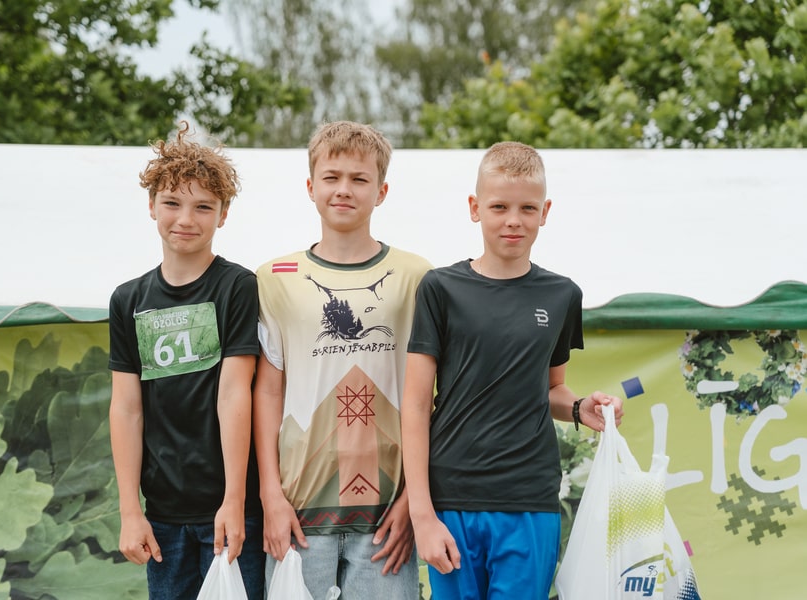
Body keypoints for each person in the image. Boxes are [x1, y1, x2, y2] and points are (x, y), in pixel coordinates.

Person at [401, 141, 625, 600]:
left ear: (545, 212)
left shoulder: (562, 295)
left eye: (527, 208)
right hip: (452, 498)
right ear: (474, 208)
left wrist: (581, 407)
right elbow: (416, 405)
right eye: (499, 207)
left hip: (530, 500)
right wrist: (422, 514)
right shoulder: (439, 288)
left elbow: (552, 388)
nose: (513, 220)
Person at [253, 120, 432, 598]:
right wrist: (270, 495)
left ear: (382, 191)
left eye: (359, 179)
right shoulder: (274, 277)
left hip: (387, 515)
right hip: (298, 509)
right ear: (310, 187)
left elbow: (435, 394)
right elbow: (268, 390)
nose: (344, 190)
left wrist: (414, 499)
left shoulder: (418, 276)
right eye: (331, 177)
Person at [108, 122, 264, 600]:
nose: (185, 218)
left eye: (203, 207)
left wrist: (234, 500)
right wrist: (130, 511)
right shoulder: (128, 300)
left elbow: (234, 393)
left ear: (223, 214)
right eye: (173, 203)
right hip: (162, 517)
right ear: (151, 205)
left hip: (230, 509)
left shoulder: (237, 286)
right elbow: (127, 408)